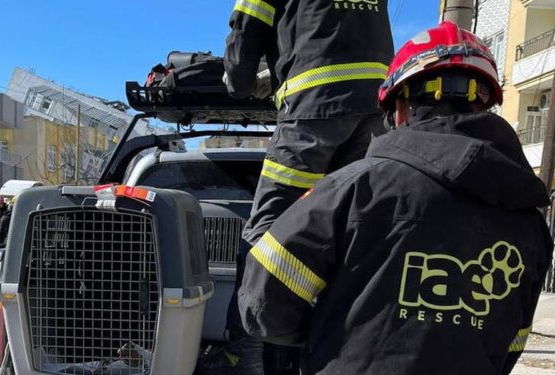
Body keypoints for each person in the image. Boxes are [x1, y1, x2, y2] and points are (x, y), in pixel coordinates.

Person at [237, 22, 553, 374]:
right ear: (485, 104)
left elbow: (262, 305)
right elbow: (510, 343)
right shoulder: (531, 225)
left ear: (400, 108)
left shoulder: (353, 189)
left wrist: (327, 338)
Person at [220, 0, 394, 373]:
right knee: (350, 240)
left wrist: (242, 81)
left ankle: (243, 358)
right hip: (376, 110)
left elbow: (241, 56)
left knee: (264, 237)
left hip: (316, 104)